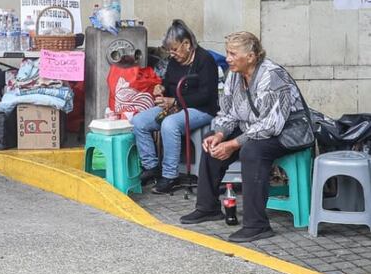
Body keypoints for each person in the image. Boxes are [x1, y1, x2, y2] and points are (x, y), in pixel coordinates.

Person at [179, 31, 312, 242]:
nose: (228, 58)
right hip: (254, 128)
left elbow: (271, 125)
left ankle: (257, 225)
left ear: (251, 56)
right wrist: (221, 134)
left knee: (252, 151)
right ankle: (208, 207)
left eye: (233, 54)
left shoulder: (272, 75)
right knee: (213, 140)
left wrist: (234, 143)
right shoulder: (234, 75)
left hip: (286, 131)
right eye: (227, 53)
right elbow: (229, 112)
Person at [131, 20, 218, 194]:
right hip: (176, 106)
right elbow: (169, 83)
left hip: (202, 109)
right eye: (170, 50)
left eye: (175, 49)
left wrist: (176, 102)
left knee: (169, 124)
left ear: (187, 44)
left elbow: (206, 95)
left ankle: (170, 176)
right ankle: (151, 167)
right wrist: (161, 87)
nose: (172, 53)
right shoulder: (174, 61)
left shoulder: (205, 60)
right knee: (139, 121)